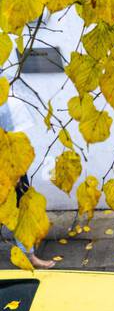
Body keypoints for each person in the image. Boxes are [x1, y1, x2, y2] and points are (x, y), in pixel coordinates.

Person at [0, 81, 54, 269]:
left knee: (21, 205)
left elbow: (13, 130)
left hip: (11, 161)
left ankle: (27, 253)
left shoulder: (7, 93)